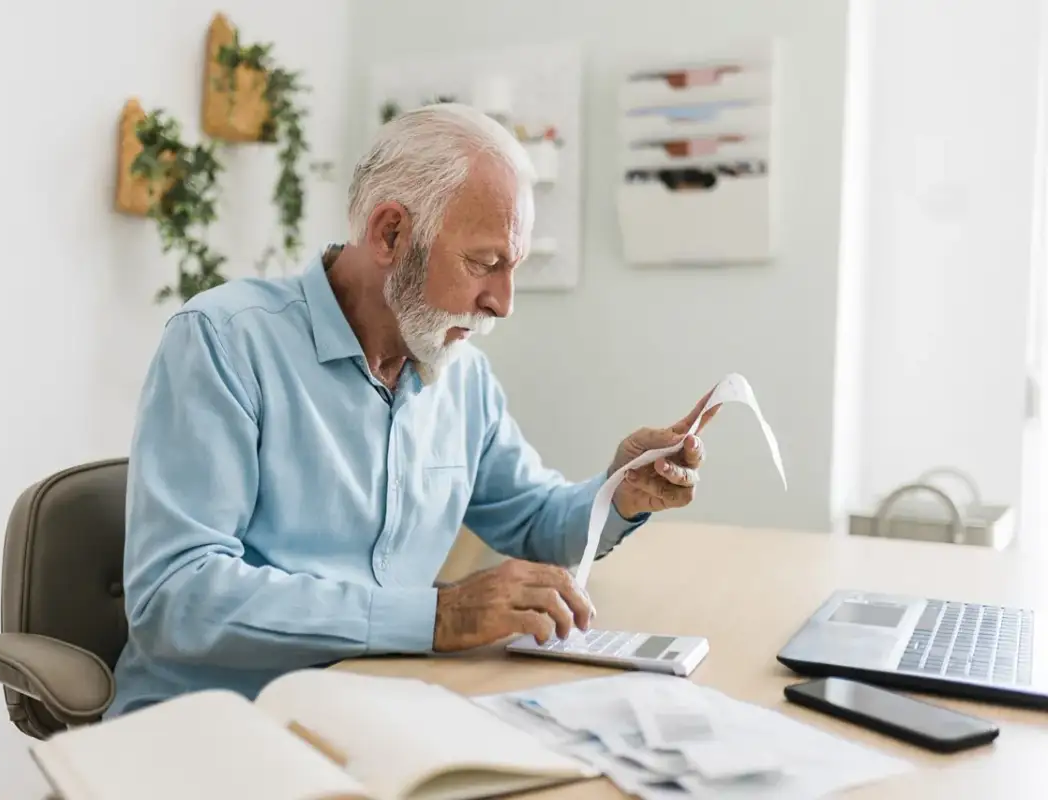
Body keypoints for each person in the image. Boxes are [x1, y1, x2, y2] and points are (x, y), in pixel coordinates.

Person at [107, 103, 718, 717]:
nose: (502, 303)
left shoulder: (463, 376)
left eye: (515, 268)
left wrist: (620, 493)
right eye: (484, 263)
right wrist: (436, 616)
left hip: (377, 712)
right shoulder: (225, 341)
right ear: (390, 233)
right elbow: (174, 595)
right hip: (213, 725)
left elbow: (532, 518)